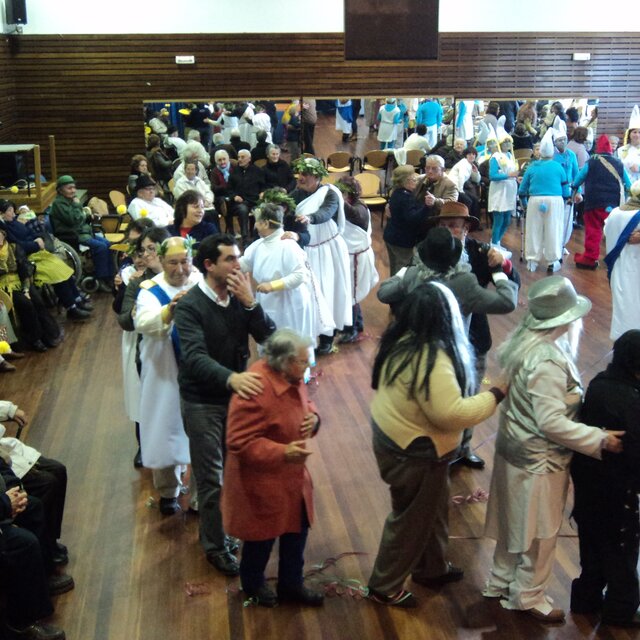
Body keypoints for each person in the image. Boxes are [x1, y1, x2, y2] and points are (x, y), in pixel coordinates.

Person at [483, 276, 625, 624]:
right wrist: (599, 438)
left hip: (514, 450)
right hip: (540, 460)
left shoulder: (523, 343)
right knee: (541, 533)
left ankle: (500, 581)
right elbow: (551, 423)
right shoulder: (546, 361)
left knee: (513, 522)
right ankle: (528, 595)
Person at [367, 282, 507, 608]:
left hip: (397, 441)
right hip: (415, 452)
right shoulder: (432, 358)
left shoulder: (402, 339)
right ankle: (384, 586)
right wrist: (497, 393)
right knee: (411, 520)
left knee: (432, 510)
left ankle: (431, 567)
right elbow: (452, 414)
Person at [173, 234, 275, 575]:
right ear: (209, 265)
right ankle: (215, 547)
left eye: (238, 258)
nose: (238, 265)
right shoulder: (190, 306)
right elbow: (194, 358)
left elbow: (268, 337)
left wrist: (251, 303)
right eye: (230, 259)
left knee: (235, 471)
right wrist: (232, 379)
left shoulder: (238, 296)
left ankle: (228, 529)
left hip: (235, 399)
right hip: (202, 401)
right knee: (211, 479)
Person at [221, 329, 324, 607]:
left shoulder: (291, 375)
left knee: (297, 532)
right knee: (261, 538)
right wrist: (282, 452)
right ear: (285, 361)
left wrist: (314, 417)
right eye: (303, 361)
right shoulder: (254, 388)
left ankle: (291, 585)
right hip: (262, 481)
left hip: (292, 477)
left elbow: (305, 400)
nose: (308, 365)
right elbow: (238, 441)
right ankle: (253, 585)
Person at [569, 330, 640, 626]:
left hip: (588, 483)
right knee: (621, 553)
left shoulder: (599, 383)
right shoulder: (632, 399)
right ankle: (620, 611)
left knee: (592, 547)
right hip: (618, 491)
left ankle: (585, 600)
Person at [134, 237, 201, 515]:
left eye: (185, 261)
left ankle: (200, 496)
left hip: (198, 371)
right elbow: (142, 322)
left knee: (201, 433)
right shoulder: (150, 290)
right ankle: (168, 491)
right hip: (164, 370)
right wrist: (169, 311)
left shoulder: (200, 282)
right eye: (173, 262)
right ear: (161, 261)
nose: (180, 268)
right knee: (165, 429)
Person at [239, 203, 332, 359]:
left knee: (290, 345)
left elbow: (300, 275)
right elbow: (245, 263)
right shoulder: (258, 244)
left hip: (290, 303)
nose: (254, 226)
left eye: (257, 221)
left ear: (266, 223)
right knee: (272, 342)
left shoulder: (288, 246)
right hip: (268, 300)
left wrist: (273, 285)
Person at [116, 226, 170, 468]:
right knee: (143, 395)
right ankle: (144, 444)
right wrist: (134, 313)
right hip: (146, 345)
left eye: (152, 248)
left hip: (176, 344)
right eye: (143, 250)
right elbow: (124, 319)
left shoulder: (183, 276)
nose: (147, 254)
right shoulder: (137, 282)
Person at [290, 157, 351, 355]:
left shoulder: (330, 193)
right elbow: (286, 207)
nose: (301, 177)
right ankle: (309, 335)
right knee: (310, 294)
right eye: (300, 173)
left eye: (305, 174)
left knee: (328, 292)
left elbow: (326, 212)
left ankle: (327, 339)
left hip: (328, 250)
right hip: (307, 249)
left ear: (317, 177)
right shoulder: (298, 193)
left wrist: (310, 218)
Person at [0, 400, 69, 568]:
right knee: (47, 485)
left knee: (58, 470)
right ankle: (44, 555)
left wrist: (9, 410)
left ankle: (49, 541)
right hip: (4, 462)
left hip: (4, 455)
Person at [0, 199, 91, 321]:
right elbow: (17, 246)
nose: (13, 213)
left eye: (12, 210)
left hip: (38, 252)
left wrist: (38, 238)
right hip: (27, 259)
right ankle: (71, 307)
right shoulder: (5, 230)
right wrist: (36, 244)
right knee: (56, 273)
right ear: (1, 214)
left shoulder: (15, 222)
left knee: (64, 269)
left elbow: (30, 232)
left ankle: (77, 299)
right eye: (10, 211)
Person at [0, 228, 63, 351]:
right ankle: (35, 338)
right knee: (26, 304)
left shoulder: (13, 248)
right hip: (2, 287)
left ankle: (48, 335)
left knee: (37, 301)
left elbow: (24, 270)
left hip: (19, 282)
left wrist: (26, 289)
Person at [572, 134, 630, 269]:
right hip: (614, 204)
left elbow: (578, 179)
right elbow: (628, 184)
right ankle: (616, 259)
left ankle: (590, 259)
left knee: (593, 231)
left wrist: (575, 189)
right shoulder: (619, 163)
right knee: (615, 231)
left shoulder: (591, 161)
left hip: (594, 203)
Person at [49, 174, 115, 291]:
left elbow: (80, 217)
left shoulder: (69, 201)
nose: (73, 190)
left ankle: (110, 277)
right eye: (69, 188)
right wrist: (79, 207)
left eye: (74, 187)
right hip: (72, 235)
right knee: (100, 247)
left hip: (84, 232)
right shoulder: (59, 204)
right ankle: (101, 278)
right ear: (60, 190)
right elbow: (74, 220)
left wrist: (86, 214)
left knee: (108, 244)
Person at [519, 128, 570, 272]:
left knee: (533, 229)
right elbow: (566, 190)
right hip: (555, 201)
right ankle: (553, 260)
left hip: (535, 200)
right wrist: (565, 201)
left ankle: (532, 260)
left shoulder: (531, 167)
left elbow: (522, 190)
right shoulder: (558, 167)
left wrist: (524, 204)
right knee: (554, 229)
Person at [335, 177, 379, 342]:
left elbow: (353, 215)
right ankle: (356, 325)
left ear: (350, 193)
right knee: (349, 293)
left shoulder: (360, 208)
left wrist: (337, 197)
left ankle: (352, 330)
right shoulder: (346, 206)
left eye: (343, 192)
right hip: (349, 256)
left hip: (357, 258)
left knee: (351, 294)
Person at [603, 180, 640, 340]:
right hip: (636, 270)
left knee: (622, 310)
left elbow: (606, 232)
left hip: (617, 269)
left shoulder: (615, 212)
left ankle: (623, 345)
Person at [383, 165, 428, 276]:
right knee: (402, 272)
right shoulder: (406, 198)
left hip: (391, 236)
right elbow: (413, 218)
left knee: (394, 269)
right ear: (406, 181)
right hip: (401, 241)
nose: (416, 181)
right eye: (413, 179)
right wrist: (427, 207)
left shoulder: (396, 192)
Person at [488, 127, 519, 255]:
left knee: (507, 220)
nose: (507, 144)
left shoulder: (510, 156)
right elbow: (492, 175)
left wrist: (516, 177)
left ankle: (497, 241)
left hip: (509, 190)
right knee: (499, 219)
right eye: (505, 142)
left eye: (508, 142)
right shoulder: (495, 157)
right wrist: (508, 175)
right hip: (499, 192)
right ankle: (494, 244)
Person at [227, 149, 266, 244]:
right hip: (240, 202)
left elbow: (264, 186)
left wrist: (262, 192)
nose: (240, 159)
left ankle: (258, 237)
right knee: (243, 210)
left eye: (242, 157)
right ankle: (245, 238)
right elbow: (228, 189)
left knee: (262, 209)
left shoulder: (257, 171)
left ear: (249, 159)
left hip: (254, 200)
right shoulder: (234, 171)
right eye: (238, 157)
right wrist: (234, 196)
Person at [617, 105, 640, 184]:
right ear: (629, 134)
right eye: (634, 132)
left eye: (639, 132)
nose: (637, 135)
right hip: (625, 186)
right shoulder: (621, 150)